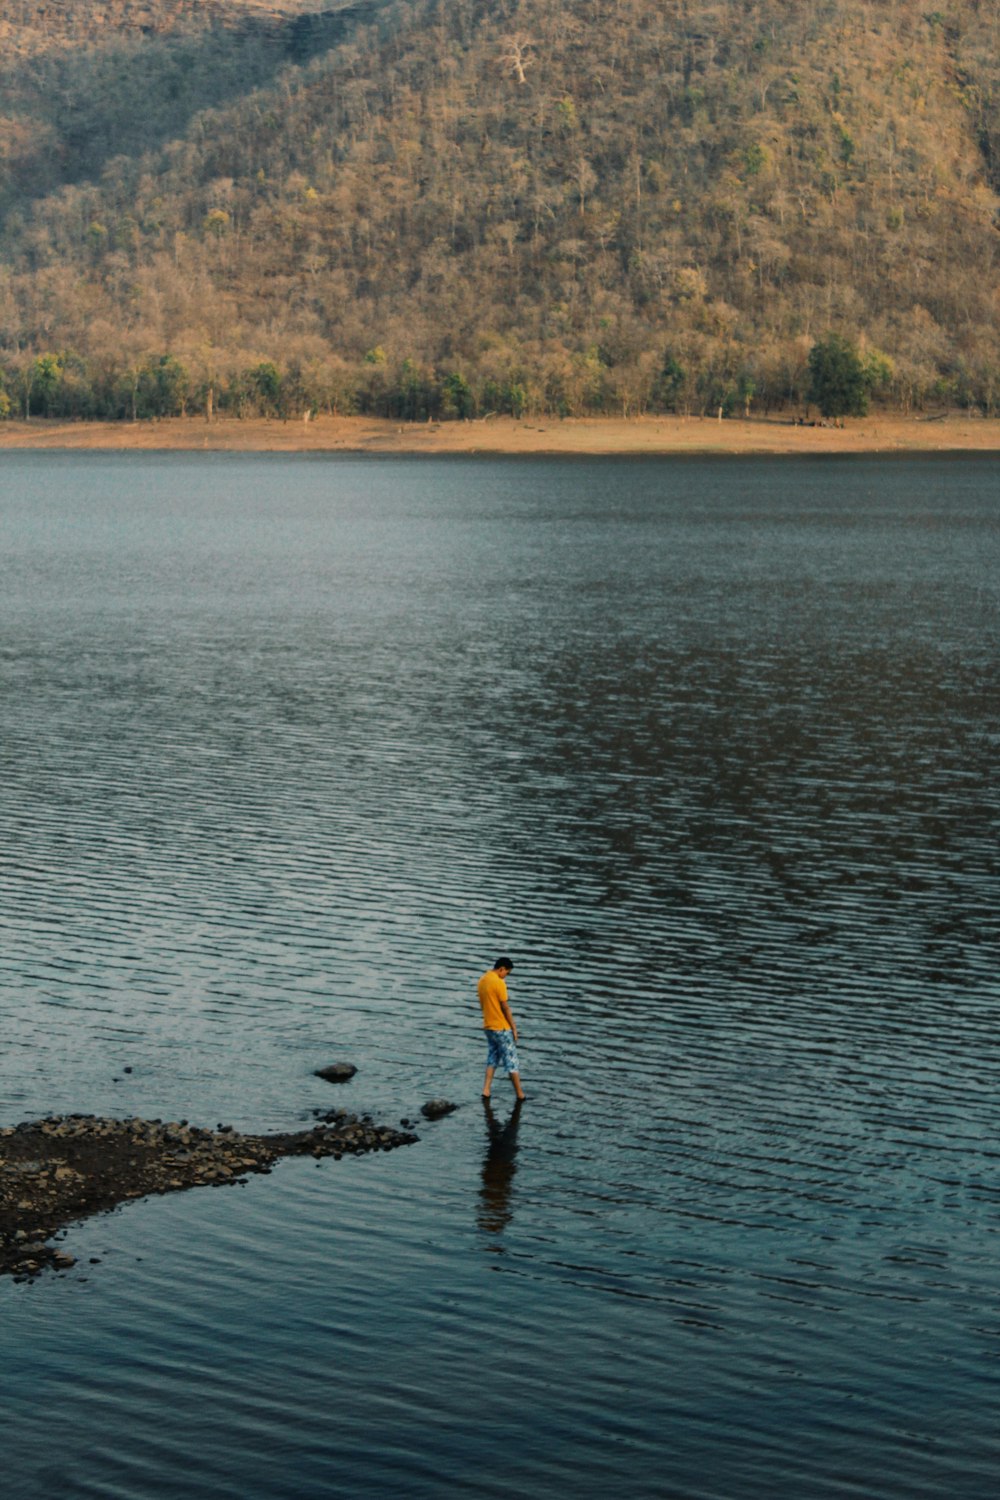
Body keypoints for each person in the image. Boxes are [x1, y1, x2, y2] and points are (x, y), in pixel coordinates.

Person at [477, 956, 526, 1101]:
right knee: (512, 1061)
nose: (506, 976)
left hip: (488, 1027)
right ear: (501, 969)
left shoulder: (482, 980)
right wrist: (514, 1028)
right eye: (507, 973)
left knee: (493, 1057)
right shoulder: (499, 982)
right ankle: (520, 1094)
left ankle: (486, 1090)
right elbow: (505, 1007)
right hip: (501, 1027)